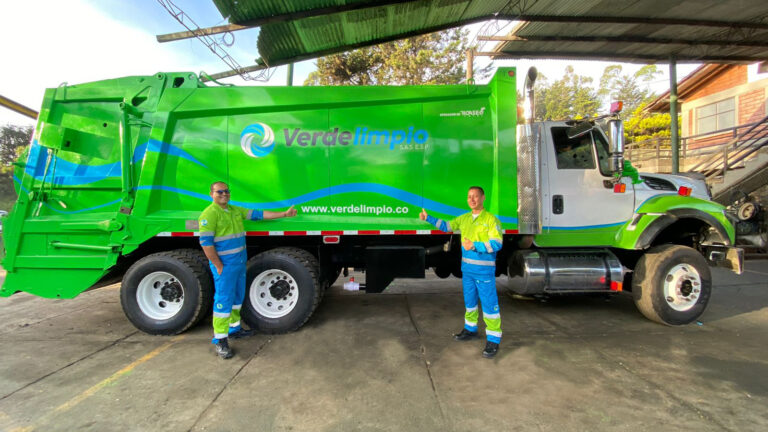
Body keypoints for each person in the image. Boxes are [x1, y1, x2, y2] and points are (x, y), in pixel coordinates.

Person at [198, 181, 297, 359]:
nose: (224, 194)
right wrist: (218, 265)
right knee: (223, 301)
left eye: (226, 191)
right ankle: (220, 339)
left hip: (238, 263)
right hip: (225, 266)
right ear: (211, 194)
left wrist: (284, 214)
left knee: (237, 298)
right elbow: (206, 244)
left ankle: (234, 329)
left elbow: (258, 214)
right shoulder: (209, 214)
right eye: (219, 192)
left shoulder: (234, 210)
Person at [419, 186, 503, 359]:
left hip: (484, 271)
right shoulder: (464, 219)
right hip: (468, 271)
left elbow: (497, 243)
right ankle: (470, 329)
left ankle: (493, 339)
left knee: (489, 306)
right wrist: (429, 218)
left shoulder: (491, 220)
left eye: (475, 196)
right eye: (469, 196)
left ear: (483, 198)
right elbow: (446, 226)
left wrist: (475, 246)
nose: (472, 199)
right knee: (470, 302)